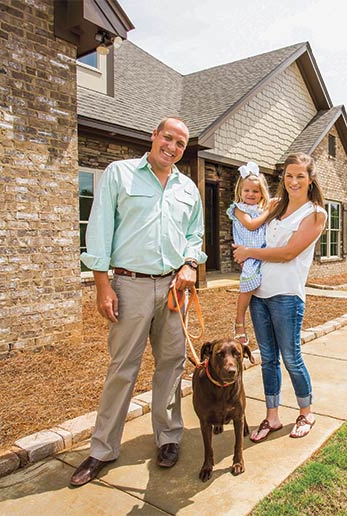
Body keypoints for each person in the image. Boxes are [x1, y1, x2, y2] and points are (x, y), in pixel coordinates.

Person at [71, 117, 206, 487]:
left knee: (171, 366)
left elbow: (195, 234)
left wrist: (191, 263)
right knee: (122, 368)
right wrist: (102, 284)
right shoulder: (120, 174)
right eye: (168, 138)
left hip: (175, 290)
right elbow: (98, 229)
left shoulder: (188, 188)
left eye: (180, 143)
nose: (173, 147)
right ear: (153, 136)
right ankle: (102, 449)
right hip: (129, 285)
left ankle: (168, 438)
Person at [232, 152, 326, 442]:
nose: (293, 181)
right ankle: (272, 417)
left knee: (291, 358)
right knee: (268, 360)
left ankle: (305, 412)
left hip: (287, 296)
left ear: (310, 180)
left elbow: (288, 254)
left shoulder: (315, 214)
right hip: (259, 294)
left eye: (300, 176)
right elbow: (247, 221)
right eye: (288, 175)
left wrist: (249, 253)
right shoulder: (273, 206)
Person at [226, 161, 273, 345]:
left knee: (260, 287)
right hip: (249, 254)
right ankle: (239, 322)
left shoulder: (260, 209)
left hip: (261, 253)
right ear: (240, 191)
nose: (251, 194)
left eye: (255, 191)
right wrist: (269, 210)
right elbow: (252, 225)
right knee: (247, 287)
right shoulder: (238, 209)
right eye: (247, 191)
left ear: (262, 193)